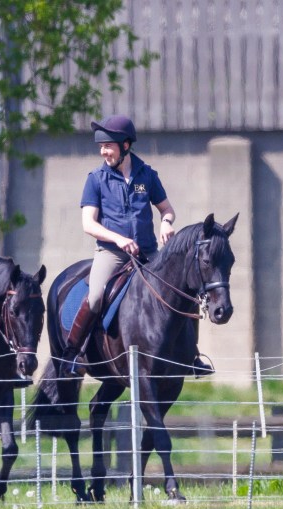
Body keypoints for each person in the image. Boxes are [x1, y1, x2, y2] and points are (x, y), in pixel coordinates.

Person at [61, 115, 212, 377]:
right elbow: (89, 223)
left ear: (126, 145)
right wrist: (118, 238)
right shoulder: (96, 179)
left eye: (108, 146)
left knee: (185, 290)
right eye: (101, 147)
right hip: (112, 253)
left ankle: (192, 356)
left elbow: (167, 209)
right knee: (95, 295)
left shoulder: (147, 175)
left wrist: (166, 222)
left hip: (148, 252)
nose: (103, 152)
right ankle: (73, 353)